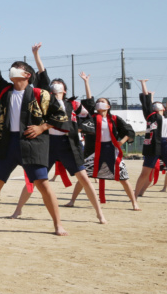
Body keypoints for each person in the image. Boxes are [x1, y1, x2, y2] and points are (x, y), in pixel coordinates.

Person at [0, 26, 71, 236]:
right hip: (6, 143)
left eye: (17, 68)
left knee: (43, 184)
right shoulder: (4, 91)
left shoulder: (41, 94)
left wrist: (43, 126)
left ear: (27, 74)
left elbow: (61, 117)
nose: (12, 70)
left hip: (33, 143)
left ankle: (58, 224)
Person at [9, 44, 106, 224]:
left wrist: (86, 83)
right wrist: (36, 54)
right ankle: (18, 210)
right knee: (34, 178)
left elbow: (91, 110)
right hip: (47, 144)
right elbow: (43, 74)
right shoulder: (46, 98)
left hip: (68, 145)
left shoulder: (73, 105)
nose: (56, 84)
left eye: (59, 84)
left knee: (84, 177)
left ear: (65, 90)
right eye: (54, 83)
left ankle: (99, 213)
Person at [64, 72, 140, 210]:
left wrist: (120, 143)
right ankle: (72, 200)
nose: (100, 103)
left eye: (103, 102)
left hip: (112, 150)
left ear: (108, 106)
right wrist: (86, 82)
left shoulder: (115, 119)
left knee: (123, 178)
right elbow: (89, 100)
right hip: (93, 151)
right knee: (83, 177)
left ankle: (134, 203)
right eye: (99, 102)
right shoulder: (92, 118)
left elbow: (129, 132)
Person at [134, 79, 167, 196]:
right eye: (154, 105)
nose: (156, 106)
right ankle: (136, 195)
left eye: (159, 105)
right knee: (146, 172)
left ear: (164, 108)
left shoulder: (166, 117)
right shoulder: (151, 116)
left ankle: (162, 188)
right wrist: (143, 84)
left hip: (166, 143)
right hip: (153, 144)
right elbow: (146, 102)